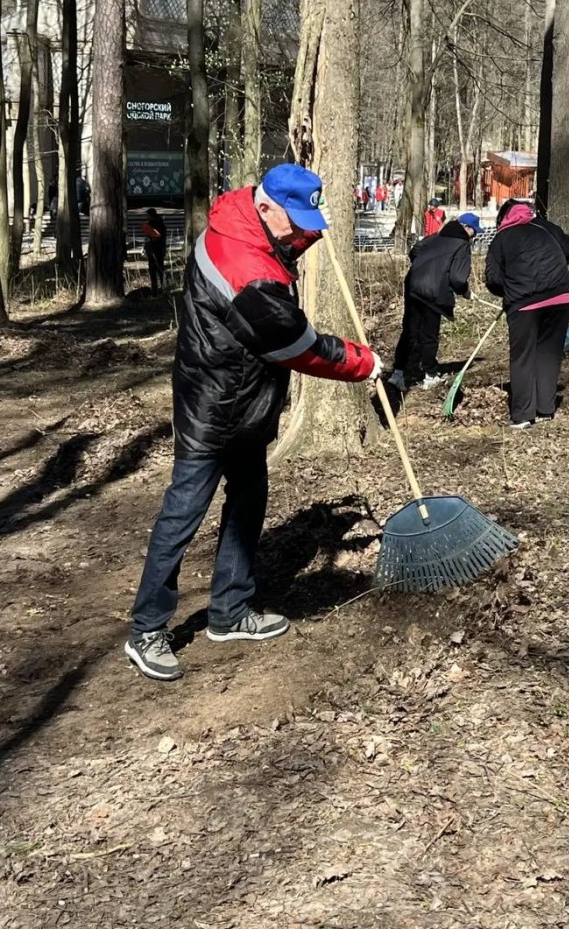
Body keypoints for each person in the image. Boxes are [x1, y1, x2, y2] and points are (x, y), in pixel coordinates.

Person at [124, 164, 382, 681]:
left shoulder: (240, 218)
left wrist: (311, 227)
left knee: (248, 502)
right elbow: (299, 346)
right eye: (296, 219)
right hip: (214, 407)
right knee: (184, 513)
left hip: (243, 402)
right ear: (265, 207)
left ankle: (230, 610)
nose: (300, 230)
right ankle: (147, 628)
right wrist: (363, 362)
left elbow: (283, 243)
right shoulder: (248, 270)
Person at [484, 198, 569, 429]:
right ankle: (545, 409)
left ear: (503, 218)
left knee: (523, 356)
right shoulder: (545, 227)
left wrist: (508, 290)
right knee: (549, 353)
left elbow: (493, 278)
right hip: (560, 295)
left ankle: (524, 414)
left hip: (524, 301)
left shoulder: (501, 238)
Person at [388, 212, 481, 392]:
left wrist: (423, 268)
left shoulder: (436, 236)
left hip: (413, 285)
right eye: (474, 232)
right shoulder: (461, 244)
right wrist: (465, 292)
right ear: (467, 229)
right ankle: (429, 375)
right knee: (429, 334)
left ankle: (397, 374)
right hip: (433, 292)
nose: (474, 236)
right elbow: (458, 278)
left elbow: (414, 251)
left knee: (410, 331)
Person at [141, 208, 168, 295]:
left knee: (153, 269)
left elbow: (153, 238)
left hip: (154, 249)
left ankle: (155, 289)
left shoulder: (152, 224)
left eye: (147, 215)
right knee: (160, 268)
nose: (146, 217)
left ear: (150, 215)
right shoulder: (161, 223)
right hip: (160, 248)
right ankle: (162, 287)